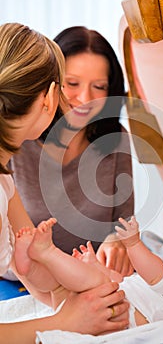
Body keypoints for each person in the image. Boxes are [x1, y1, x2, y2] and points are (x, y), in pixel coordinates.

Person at [0, 22, 129, 343]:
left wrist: (81, 301)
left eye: (98, 86)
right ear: (49, 98)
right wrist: (68, 322)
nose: (83, 99)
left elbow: (30, 259)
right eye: (69, 84)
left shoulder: (5, 179)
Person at [15, 214, 163, 330]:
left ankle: (47, 253)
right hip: (107, 312)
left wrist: (134, 244)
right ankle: (31, 267)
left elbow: (156, 273)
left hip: (115, 311)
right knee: (59, 286)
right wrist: (97, 265)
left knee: (94, 282)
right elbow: (123, 283)